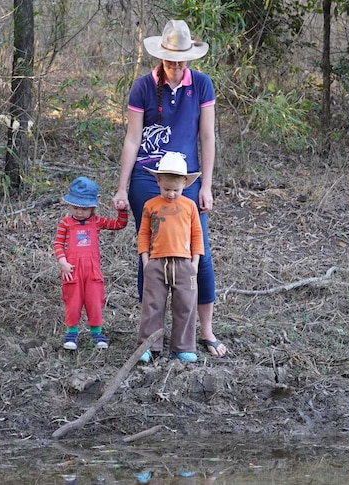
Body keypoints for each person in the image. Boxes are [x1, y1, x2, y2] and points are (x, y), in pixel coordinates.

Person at [112, 19, 227, 358]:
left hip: (186, 178)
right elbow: (132, 139)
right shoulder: (143, 87)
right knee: (151, 255)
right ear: (161, 56)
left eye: (182, 60)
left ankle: (203, 332)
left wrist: (206, 185)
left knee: (197, 255)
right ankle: (151, 337)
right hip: (148, 177)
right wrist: (122, 187)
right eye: (170, 60)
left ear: (190, 57)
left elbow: (206, 137)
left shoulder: (202, 85)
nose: (176, 67)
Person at [136, 152, 204, 363]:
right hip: (156, 262)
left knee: (185, 304)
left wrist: (195, 262)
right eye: (167, 189)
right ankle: (148, 346)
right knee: (152, 304)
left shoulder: (190, 206)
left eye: (176, 190)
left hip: (184, 264)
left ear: (185, 183)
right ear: (158, 181)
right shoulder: (151, 205)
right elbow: (144, 234)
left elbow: (197, 234)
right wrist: (146, 260)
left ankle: (182, 346)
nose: (172, 194)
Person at [53, 176, 128, 350]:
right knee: (73, 302)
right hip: (72, 271)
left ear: (92, 207)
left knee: (94, 301)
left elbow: (119, 224)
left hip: (92, 271)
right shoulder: (66, 223)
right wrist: (63, 262)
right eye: (75, 207)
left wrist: (123, 210)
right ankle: (71, 334)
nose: (79, 212)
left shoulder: (97, 222)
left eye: (84, 208)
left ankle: (97, 333)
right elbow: (58, 244)